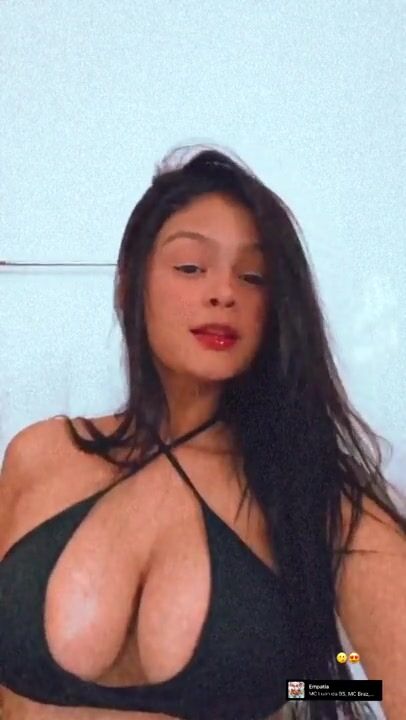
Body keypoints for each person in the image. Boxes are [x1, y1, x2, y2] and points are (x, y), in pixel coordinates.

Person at [0, 144, 405, 720]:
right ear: (129, 285)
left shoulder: (315, 497)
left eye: (253, 275)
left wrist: (298, 690)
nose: (224, 292)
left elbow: (364, 688)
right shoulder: (39, 457)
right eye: (191, 267)